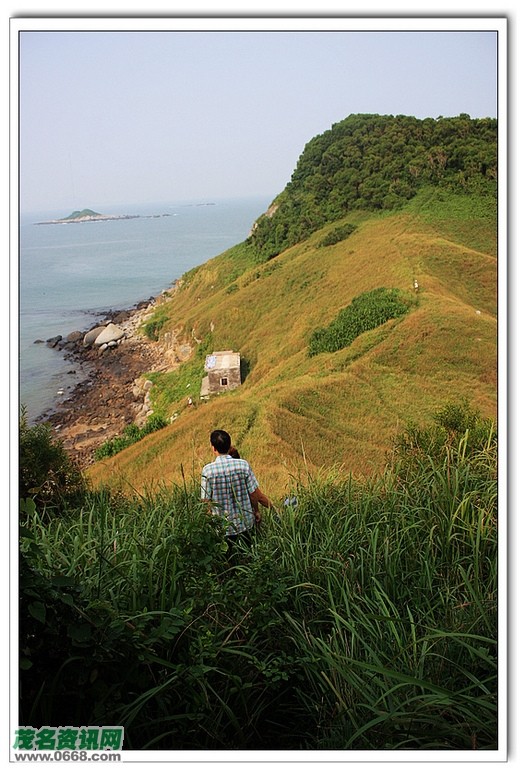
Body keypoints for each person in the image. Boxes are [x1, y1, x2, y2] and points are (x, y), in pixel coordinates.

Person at [201, 429, 269, 544]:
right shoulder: (243, 465)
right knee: (248, 553)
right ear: (229, 445)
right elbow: (253, 494)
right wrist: (256, 511)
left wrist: (211, 525)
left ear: (213, 448)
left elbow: (205, 502)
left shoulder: (208, 471)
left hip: (222, 529)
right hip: (245, 525)